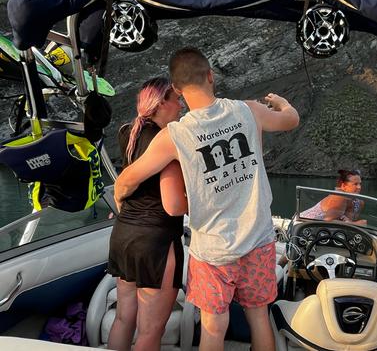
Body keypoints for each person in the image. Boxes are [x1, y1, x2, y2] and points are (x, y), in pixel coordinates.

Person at [114, 47, 299, 351]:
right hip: (259, 240)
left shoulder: (174, 135)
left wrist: (121, 205)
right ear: (211, 76)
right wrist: (282, 103)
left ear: (176, 89)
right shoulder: (247, 110)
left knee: (213, 329)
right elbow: (290, 119)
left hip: (212, 252)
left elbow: (127, 179)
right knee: (259, 319)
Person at [107, 77, 186, 351]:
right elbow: (173, 204)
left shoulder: (128, 131)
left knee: (122, 319)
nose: (181, 106)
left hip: (124, 233)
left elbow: (129, 180)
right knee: (151, 331)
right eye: (177, 99)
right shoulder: (167, 141)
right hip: (155, 241)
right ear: (162, 102)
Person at [299, 169, 366, 225]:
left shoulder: (359, 203)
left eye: (360, 184)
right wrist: (356, 224)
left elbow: (349, 222)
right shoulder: (339, 197)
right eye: (355, 184)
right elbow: (327, 222)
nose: (359, 187)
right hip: (302, 225)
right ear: (343, 185)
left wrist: (352, 223)